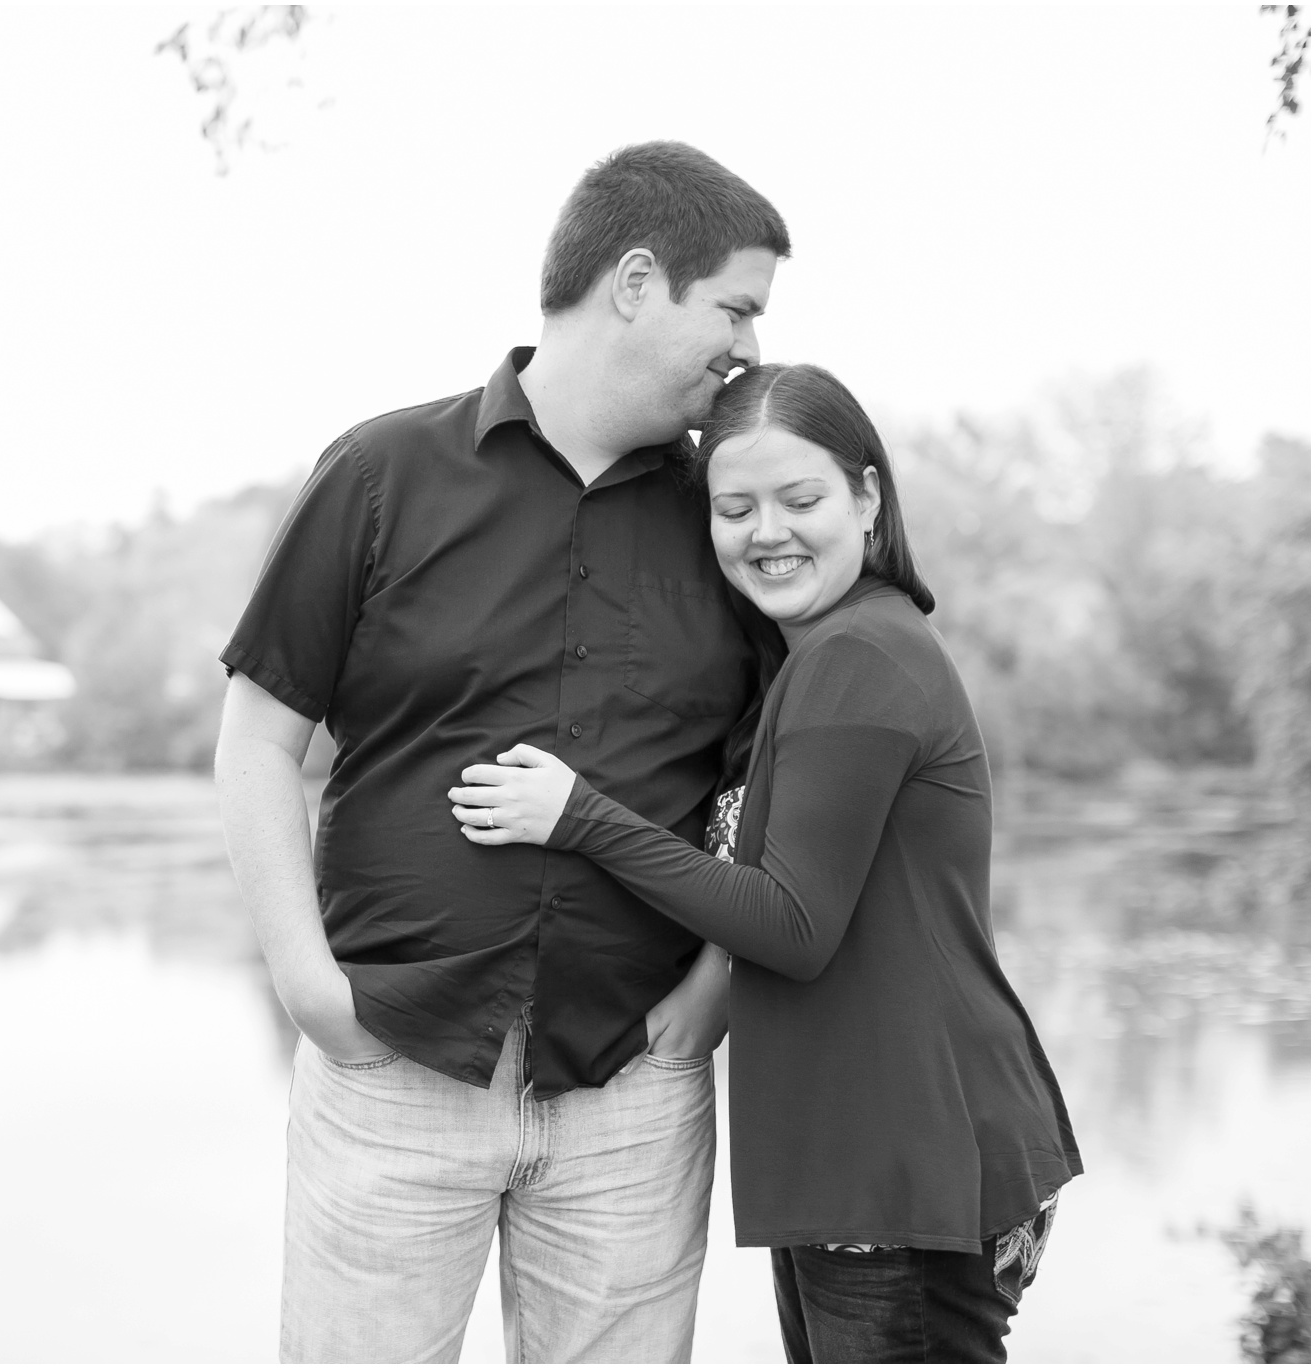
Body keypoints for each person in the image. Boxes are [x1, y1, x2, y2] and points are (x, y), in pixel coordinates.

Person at [214, 141, 789, 1364]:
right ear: (635, 280)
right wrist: (309, 987)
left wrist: (712, 990)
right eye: (733, 307)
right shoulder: (380, 475)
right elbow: (258, 739)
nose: (748, 346)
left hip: (633, 1084)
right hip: (392, 1066)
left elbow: (767, 780)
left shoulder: (730, 518)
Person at [448, 362, 1083, 1363]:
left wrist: (579, 815)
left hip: (899, 1162)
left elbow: (790, 925)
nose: (765, 532)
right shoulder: (827, 650)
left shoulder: (855, 660)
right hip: (874, 1152)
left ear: (866, 497)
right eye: (733, 507)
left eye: (799, 499)